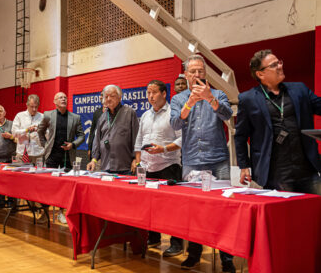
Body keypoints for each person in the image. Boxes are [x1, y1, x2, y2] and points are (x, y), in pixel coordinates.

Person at [170, 54, 235, 272]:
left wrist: (210, 99)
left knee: (223, 210)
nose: (197, 75)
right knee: (193, 211)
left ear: (205, 73)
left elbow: (227, 115)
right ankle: (194, 254)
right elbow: (175, 124)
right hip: (191, 161)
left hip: (218, 159)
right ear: (186, 75)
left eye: (200, 71)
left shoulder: (218, 93)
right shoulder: (179, 99)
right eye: (193, 71)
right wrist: (189, 103)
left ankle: (227, 259)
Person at [235, 49, 321, 194]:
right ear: (260, 74)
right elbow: (241, 136)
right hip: (276, 173)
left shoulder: (299, 89)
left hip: (307, 170)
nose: (280, 66)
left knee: (315, 213)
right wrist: (244, 166)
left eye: (279, 62)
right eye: (274, 65)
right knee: (285, 215)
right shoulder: (248, 99)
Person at [134, 80, 183, 257]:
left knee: (172, 208)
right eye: (148, 93)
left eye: (154, 92)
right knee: (150, 206)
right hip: (148, 167)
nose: (150, 96)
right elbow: (139, 140)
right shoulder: (146, 115)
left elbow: (182, 139)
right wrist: (138, 160)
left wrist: (163, 149)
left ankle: (176, 243)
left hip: (169, 166)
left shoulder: (173, 114)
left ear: (164, 94)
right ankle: (153, 237)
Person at [37, 92, 85, 223]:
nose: (63, 99)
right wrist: (45, 145)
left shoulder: (75, 117)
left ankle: (61, 213)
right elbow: (40, 131)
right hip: (52, 155)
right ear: (55, 101)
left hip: (67, 156)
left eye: (65, 97)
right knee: (48, 185)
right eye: (60, 98)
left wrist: (73, 144)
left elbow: (82, 135)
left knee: (65, 187)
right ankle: (44, 212)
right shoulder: (48, 115)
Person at [87, 85, 139, 174]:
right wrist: (94, 160)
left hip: (125, 166)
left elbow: (137, 138)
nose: (108, 99)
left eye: (112, 96)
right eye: (106, 96)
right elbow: (97, 141)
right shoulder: (102, 117)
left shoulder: (129, 113)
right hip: (106, 165)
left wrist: (136, 159)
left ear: (119, 97)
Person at [12, 94, 44, 164]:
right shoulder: (19, 116)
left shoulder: (43, 117)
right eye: (32, 107)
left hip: (38, 154)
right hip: (22, 154)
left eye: (36, 107)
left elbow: (48, 135)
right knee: (20, 175)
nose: (34, 109)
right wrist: (26, 130)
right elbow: (14, 133)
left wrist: (40, 131)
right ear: (27, 105)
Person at [87, 91, 105, 160]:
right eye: (100, 95)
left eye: (102, 95)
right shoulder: (97, 112)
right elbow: (92, 132)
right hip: (96, 148)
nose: (100, 97)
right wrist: (90, 148)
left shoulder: (113, 112)